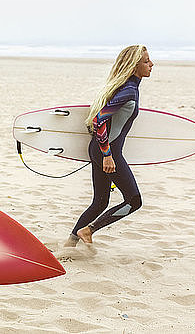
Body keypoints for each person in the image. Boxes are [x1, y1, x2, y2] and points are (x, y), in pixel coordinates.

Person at [65, 45, 154, 247]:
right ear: (133, 66)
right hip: (107, 152)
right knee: (133, 201)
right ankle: (88, 230)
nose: (151, 64)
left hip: (100, 149)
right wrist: (107, 155)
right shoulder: (128, 92)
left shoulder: (128, 88)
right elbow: (98, 121)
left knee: (100, 202)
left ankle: (69, 244)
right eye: (146, 61)